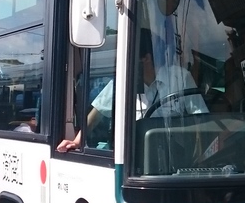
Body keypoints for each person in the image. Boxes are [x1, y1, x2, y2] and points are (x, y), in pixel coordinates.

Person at [57, 28, 206, 153]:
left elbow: (201, 118)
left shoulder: (180, 78)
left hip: (175, 152)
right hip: (135, 155)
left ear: (146, 58)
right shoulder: (124, 80)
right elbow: (97, 113)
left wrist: (199, 153)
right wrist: (77, 142)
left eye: (130, 57)